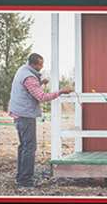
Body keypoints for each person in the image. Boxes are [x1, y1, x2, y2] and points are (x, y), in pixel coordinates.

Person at [8, 53, 72, 188]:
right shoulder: (30, 77)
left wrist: (40, 83)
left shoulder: (22, 70)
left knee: (24, 146)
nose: (42, 67)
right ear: (34, 64)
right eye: (41, 64)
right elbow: (41, 97)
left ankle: (21, 177)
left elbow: (30, 89)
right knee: (29, 147)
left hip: (19, 114)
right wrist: (61, 91)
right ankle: (25, 181)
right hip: (25, 116)